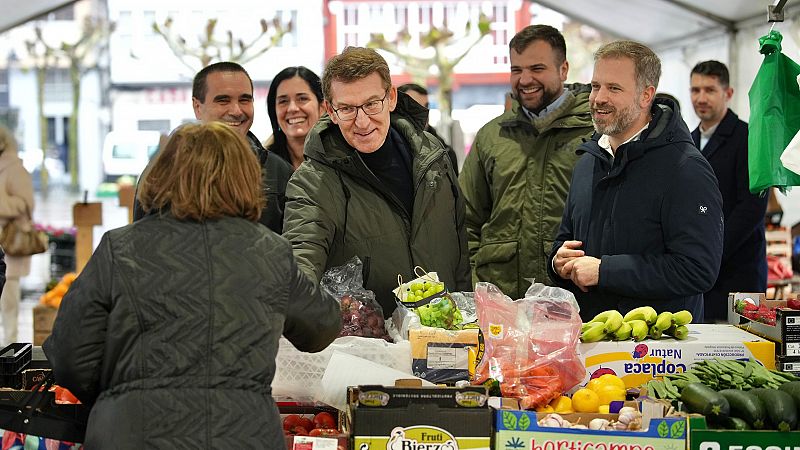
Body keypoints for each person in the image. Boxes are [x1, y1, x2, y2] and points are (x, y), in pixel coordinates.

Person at [43, 122, 341, 449]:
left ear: (162, 173)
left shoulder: (120, 248)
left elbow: (70, 357)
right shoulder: (270, 252)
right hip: (243, 435)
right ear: (245, 179)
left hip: (131, 432)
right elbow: (322, 327)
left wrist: (123, 393)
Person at [283, 46, 470, 317]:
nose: (362, 121)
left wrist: (465, 316)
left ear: (391, 97)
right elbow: (301, 257)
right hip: (369, 349)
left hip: (444, 337)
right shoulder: (312, 183)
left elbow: (459, 249)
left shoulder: (433, 156)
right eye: (346, 108)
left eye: (371, 104)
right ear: (330, 111)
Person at [548, 40, 723, 322]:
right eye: (595, 86)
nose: (598, 98)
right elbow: (565, 239)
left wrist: (605, 271)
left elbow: (697, 269)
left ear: (646, 95)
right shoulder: (588, 161)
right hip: (592, 342)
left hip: (658, 354)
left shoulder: (685, 169)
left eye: (614, 88)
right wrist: (558, 261)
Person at [459, 25, 594, 299]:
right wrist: (475, 283)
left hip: (575, 297)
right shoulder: (492, 136)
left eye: (537, 68)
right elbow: (465, 220)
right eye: (516, 70)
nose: (524, 79)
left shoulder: (594, 134)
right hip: (501, 298)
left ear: (563, 69)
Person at [133, 61, 293, 234]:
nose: (236, 110)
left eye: (244, 100)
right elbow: (143, 243)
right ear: (197, 107)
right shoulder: (164, 173)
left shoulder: (279, 172)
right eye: (223, 100)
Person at [690, 60, 768, 322]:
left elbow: (752, 208)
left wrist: (711, 251)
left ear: (728, 93)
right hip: (698, 272)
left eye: (710, 90)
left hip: (738, 269)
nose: (701, 98)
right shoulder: (687, 142)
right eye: (695, 90)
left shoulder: (748, 138)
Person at [0, 124, 34, 344]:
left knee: (9, 299)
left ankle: (10, 344)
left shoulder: (14, 168)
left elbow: (26, 203)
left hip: (9, 243)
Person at [266, 66, 325, 170]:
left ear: (323, 107)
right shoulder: (263, 166)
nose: (292, 108)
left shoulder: (343, 159)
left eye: (302, 99)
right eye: (283, 101)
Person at [397, 83, 459, 173]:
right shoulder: (388, 147)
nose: (424, 112)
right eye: (416, 107)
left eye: (426, 106)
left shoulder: (445, 152)